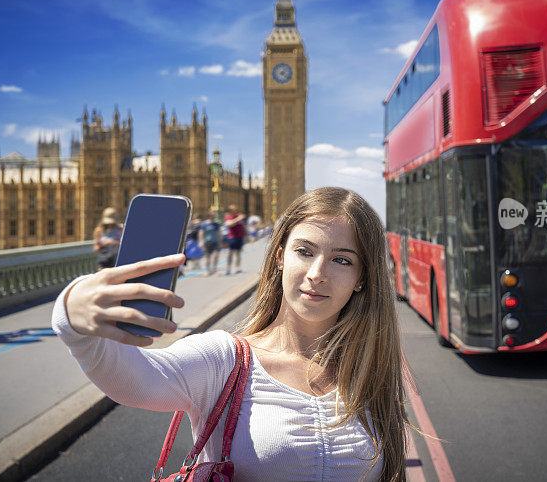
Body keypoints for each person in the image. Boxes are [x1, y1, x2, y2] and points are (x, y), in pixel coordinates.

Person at [52, 187, 410, 481]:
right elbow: (135, 379)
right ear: (281, 256)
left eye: (342, 260)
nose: (318, 273)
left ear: (362, 277)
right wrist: (73, 313)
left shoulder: (369, 372)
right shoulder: (226, 361)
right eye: (305, 251)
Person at [224, 204, 246, 275]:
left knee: (238, 253)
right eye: (232, 210)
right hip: (232, 237)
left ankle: (237, 267)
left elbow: (243, 225)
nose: (234, 211)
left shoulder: (239, 216)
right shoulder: (228, 217)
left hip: (240, 236)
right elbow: (229, 224)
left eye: (235, 210)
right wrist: (238, 219)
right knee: (230, 253)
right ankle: (228, 268)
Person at [199, 210, 222, 276]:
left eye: (214, 215)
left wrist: (220, 242)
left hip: (215, 242)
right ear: (208, 216)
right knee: (207, 258)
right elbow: (201, 233)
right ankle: (207, 271)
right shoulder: (204, 224)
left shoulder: (216, 224)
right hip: (207, 242)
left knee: (216, 256)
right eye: (211, 215)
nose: (213, 216)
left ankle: (215, 270)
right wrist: (201, 241)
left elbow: (219, 233)